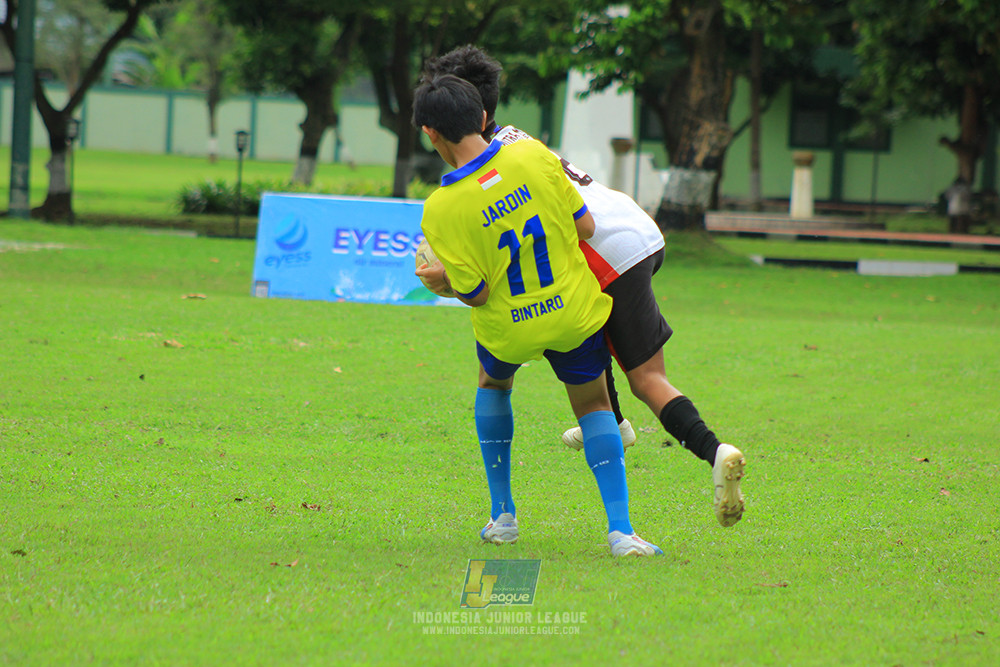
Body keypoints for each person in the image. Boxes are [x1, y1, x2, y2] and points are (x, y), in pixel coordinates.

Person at [420, 46, 745, 528]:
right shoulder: (523, 144)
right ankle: (615, 428)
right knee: (596, 339)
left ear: (435, 126)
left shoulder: (486, 174)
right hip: (639, 231)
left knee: (636, 374)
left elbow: (521, 255)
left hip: (605, 258)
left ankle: (710, 449)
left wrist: (448, 277)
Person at [413, 73, 661, 557]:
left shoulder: (439, 209)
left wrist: (442, 282)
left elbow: (478, 294)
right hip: (570, 312)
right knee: (593, 407)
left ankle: (503, 516)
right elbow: (586, 226)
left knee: (492, 382)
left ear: (430, 133)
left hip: (509, 327)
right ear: (483, 117)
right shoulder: (533, 154)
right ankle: (621, 532)